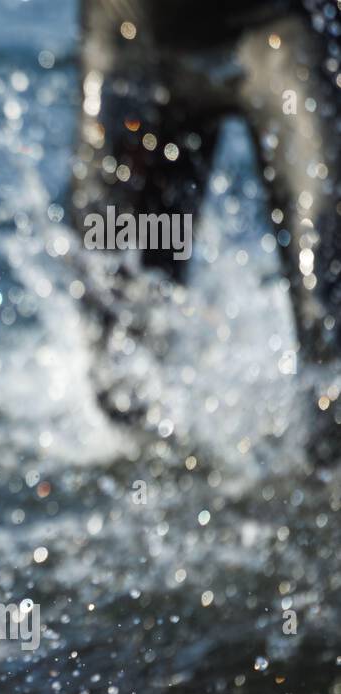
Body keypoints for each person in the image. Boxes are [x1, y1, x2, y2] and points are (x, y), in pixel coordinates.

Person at [71, 0, 340, 463]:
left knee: (328, 321)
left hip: (284, 28)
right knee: (120, 348)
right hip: (132, 36)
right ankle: (151, 513)